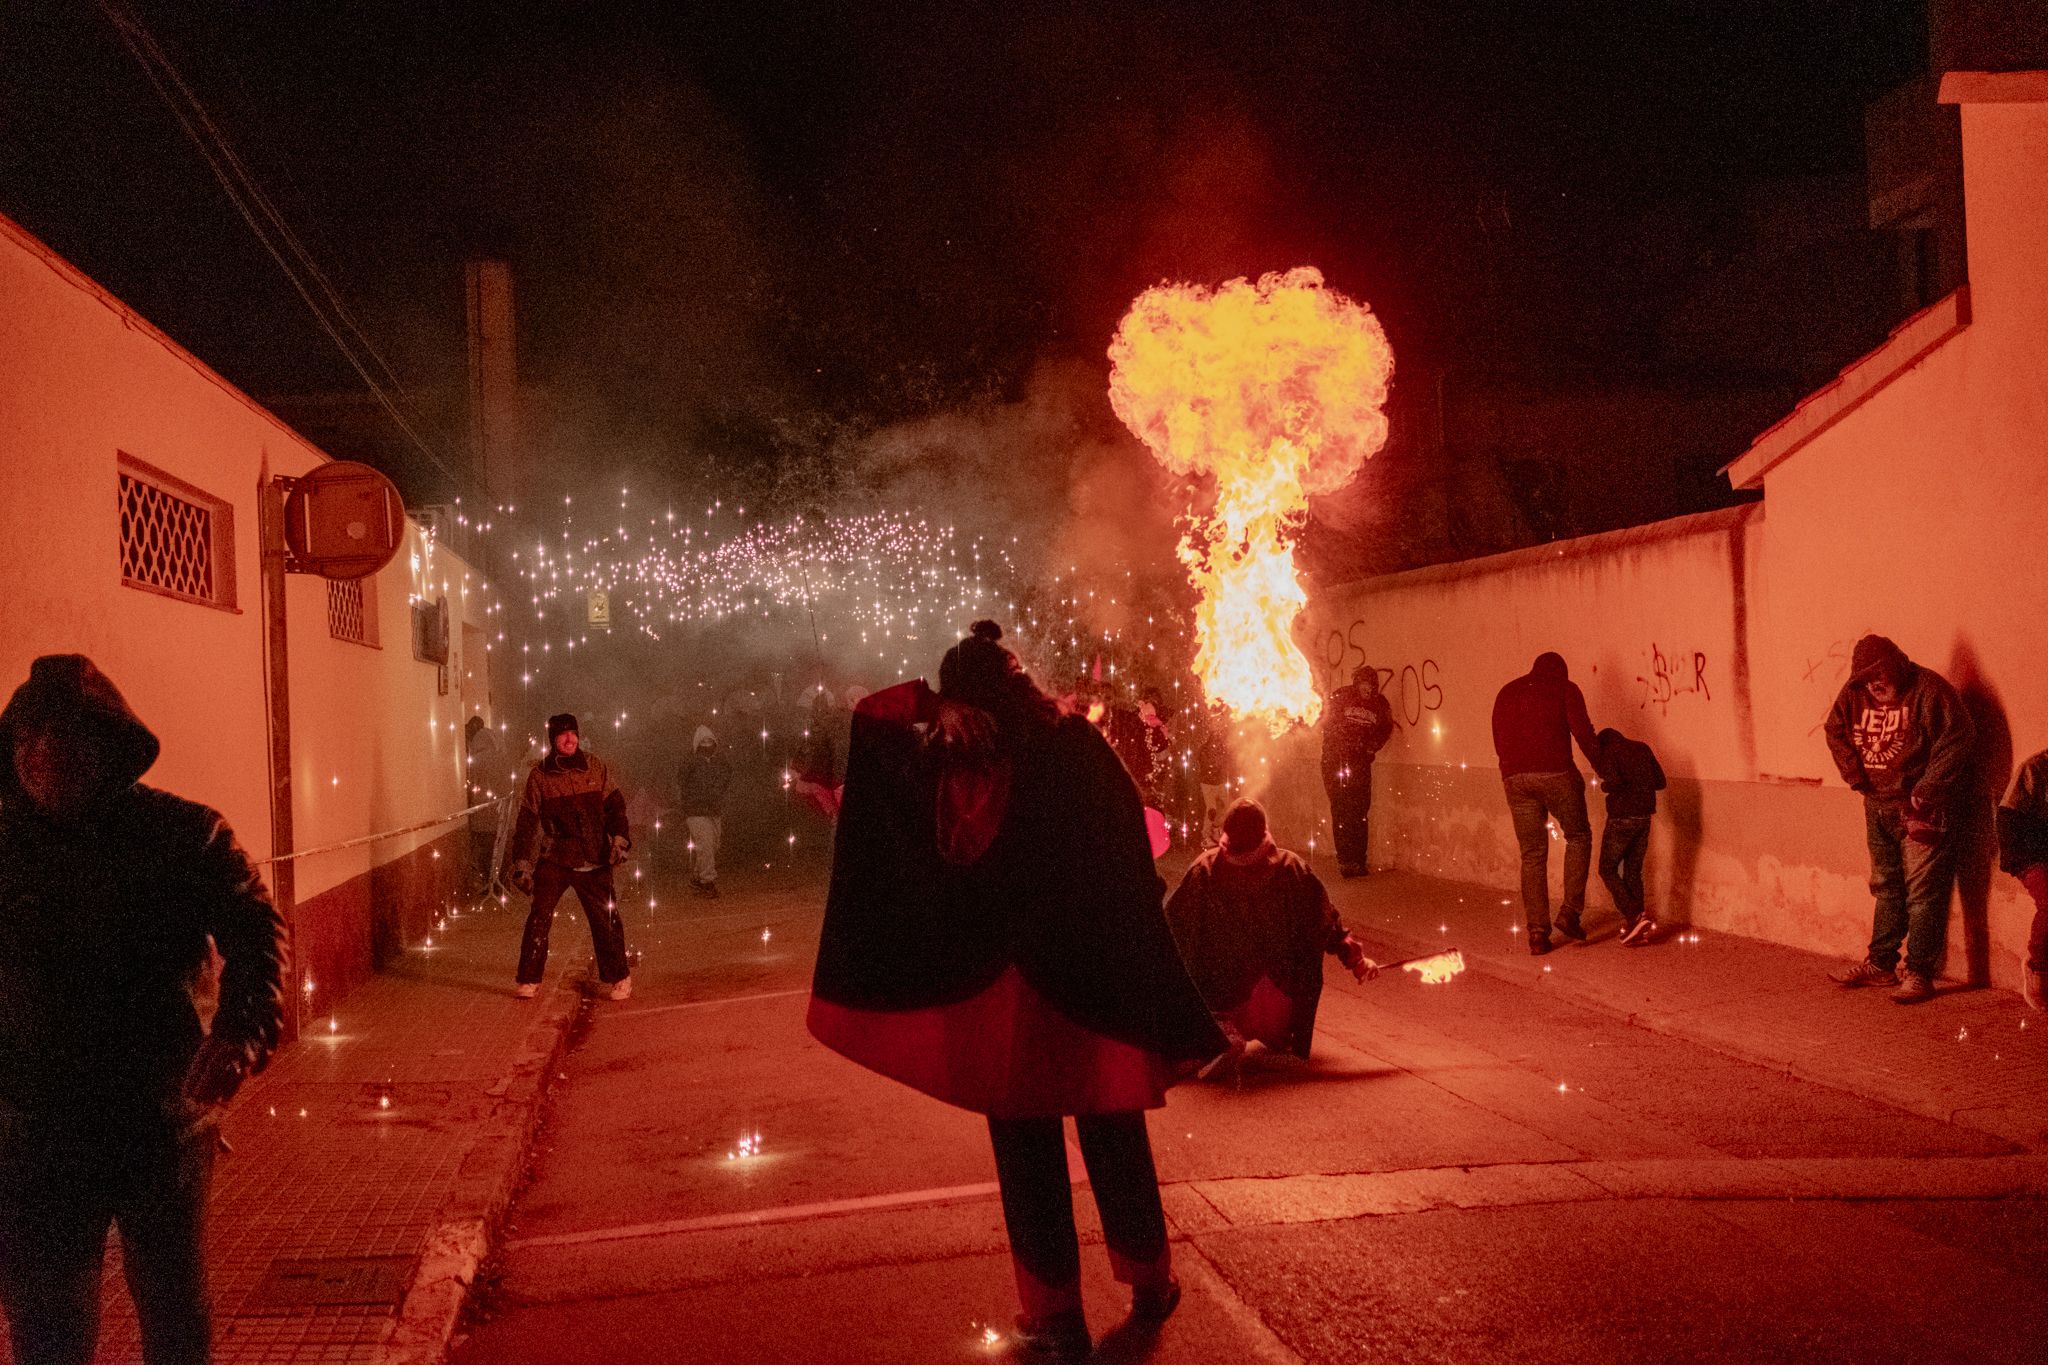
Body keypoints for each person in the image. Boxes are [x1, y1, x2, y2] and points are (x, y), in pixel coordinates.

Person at [809, 621, 1224, 1360]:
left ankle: (1054, 1316)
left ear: (955, 694)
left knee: (1026, 1147)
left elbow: (870, 717)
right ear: (1018, 680)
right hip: (1087, 977)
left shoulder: (941, 760)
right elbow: (1129, 832)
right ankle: (1149, 1280)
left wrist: (932, 705)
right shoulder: (1071, 742)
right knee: (1113, 1130)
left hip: (1003, 995)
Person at [0, 654, 288, 1365]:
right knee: (47, 1322)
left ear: (104, 742)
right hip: (35, 1131)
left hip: (159, 1118)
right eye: (24, 737)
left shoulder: (181, 834)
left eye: (59, 735)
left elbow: (256, 927)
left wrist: (242, 1031)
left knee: (172, 1309)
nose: (39, 754)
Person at [1165, 799, 1377, 1072]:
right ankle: (1272, 1031)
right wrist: (1356, 960)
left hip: (1222, 996)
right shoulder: (1292, 868)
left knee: (1200, 992)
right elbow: (1326, 923)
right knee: (1272, 1005)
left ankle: (1221, 1033)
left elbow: (1171, 926)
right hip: (1280, 995)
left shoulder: (1203, 871)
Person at [1823, 635, 1974, 1004]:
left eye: (1880, 673)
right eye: (1865, 678)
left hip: (1922, 808)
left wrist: (1927, 789)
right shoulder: (1854, 692)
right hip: (1877, 806)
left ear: (1899, 663)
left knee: (1924, 893)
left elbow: (1959, 736)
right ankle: (1880, 965)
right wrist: (1854, 775)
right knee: (1886, 886)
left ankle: (1920, 972)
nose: (1873, 683)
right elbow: (1835, 729)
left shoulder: (1929, 689)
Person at [508, 713, 633, 1002]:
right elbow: (527, 823)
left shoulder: (595, 767)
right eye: (563, 735)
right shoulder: (540, 777)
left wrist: (619, 840)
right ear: (552, 740)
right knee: (539, 916)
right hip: (556, 857)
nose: (569, 740)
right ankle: (528, 979)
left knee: (606, 919)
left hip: (594, 857)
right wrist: (522, 865)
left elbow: (616, 807)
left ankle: (619, 977)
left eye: (573, 734)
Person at [1492, 652, 1602, 954]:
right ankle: (1569, 912)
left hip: (1515, 779)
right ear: (1561, 672)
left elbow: (1497, 738)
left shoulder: (1507, 692)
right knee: (1578, 836)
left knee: (1532, 854)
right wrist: (1606, 770)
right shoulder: (1565, 688)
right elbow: (1583, 733)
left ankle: (1537, 934)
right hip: (1557, 774)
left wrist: (1512, 773)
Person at [1593, 726, 1666, 946]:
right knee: (1633, 870)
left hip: (1622, 817)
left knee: (1606, 869)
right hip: (1644, 817)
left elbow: (1615, 782)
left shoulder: (1610, 752)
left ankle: (1635, 915)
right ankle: (1639, 930)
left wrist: (1604, 785)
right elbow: (1661, 782)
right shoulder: (1642, 748)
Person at [1320, 665, 1395, 877]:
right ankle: (1345, 861)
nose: (1368, 690)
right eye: (1364, 685)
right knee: (1341, 809)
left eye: (1371, 686)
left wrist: (1371, 746)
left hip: (1361, 763)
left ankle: (1359, 861)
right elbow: (1328, 723)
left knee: (1360, 811)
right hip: (1337, 762)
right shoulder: (1342, 697)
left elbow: (1385, 729)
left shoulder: (1380, 705)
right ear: (1357, 684)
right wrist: (1341, 748)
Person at [1997, 746, 2048, 1011]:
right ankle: (2038, 966)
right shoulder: (2036, 768)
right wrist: (2021, 861)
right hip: (2031, 853)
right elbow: (2008, 818)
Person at [680, 725, 732, 898]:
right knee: (706, 846)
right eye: (703, 741)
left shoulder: (720, 761)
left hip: (714, 809)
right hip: (695, 810)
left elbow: (727, 776)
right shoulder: (690, 761)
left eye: (709, 740)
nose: (707, 744)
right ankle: (707, 882)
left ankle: (697, 878)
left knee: (713, 845)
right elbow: (682, 781)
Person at [464, 715, 504, 895]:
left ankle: (488, 885)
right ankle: (499, 883)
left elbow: (472, 784)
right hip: (499, 812)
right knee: (498, 850)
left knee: (485, 851)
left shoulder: (477, 759)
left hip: (482, 812)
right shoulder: (499, 755)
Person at [1194, 701, 1234, 847]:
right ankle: (1206, 836)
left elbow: (1226, 757)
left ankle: (1218, 831)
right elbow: (1203, 761)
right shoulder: (1205, 746)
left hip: (1219, 781)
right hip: (1207, 782)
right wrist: (1212, 767)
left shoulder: (1222, 741)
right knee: (1211, 810)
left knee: (1227, 807)